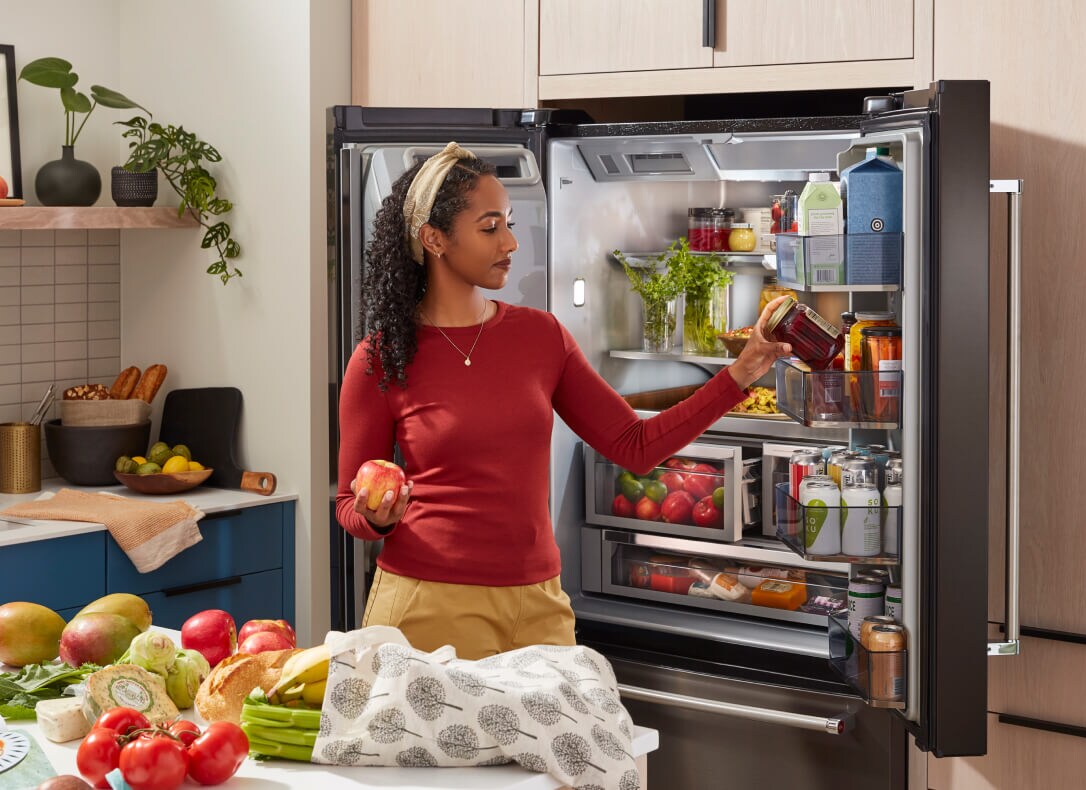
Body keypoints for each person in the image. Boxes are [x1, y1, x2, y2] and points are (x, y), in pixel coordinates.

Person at [335, 142, 793, 659]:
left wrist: (740, 373)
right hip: (427, 603)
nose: (510, 241)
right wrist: (379, 518)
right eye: (490, 228)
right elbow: (349, 506)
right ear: (434, 239)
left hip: (538, 603)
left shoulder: (540, 336)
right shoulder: (382, 357)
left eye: (508, 223)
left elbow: (635, 445)